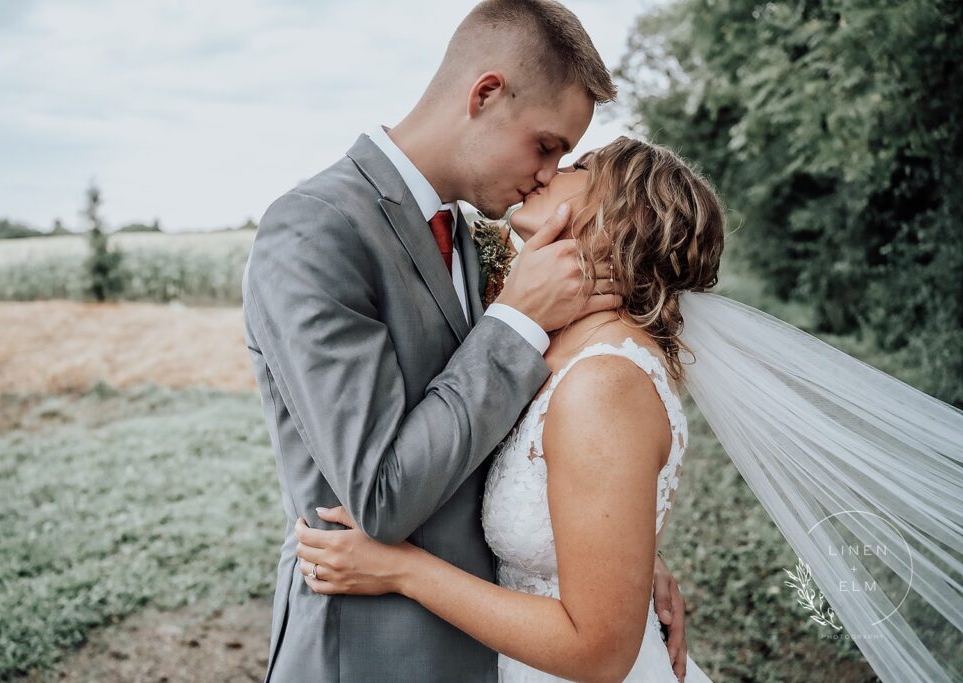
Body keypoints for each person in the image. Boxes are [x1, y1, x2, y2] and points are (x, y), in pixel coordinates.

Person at [294, 136, 963, 682]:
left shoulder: (604, 381)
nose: (552, 169)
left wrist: (404, 569)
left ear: (617, 216)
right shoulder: (554, 345)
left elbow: (599, 652)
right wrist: (634, 560)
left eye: (581, 165)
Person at [241, 3, 688, 682]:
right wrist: (514, 320)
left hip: (491, 649)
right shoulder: (316, 232)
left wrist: (614, 557)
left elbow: (503, 443)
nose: (548, 175)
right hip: (370, 654)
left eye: (564, 158)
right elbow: (381, 495)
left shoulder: (475, 243)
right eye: (547, 145)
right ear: (485, 95)